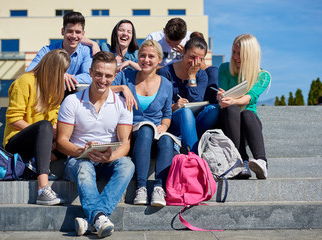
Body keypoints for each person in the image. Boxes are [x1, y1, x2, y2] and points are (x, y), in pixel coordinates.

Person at [56, 51, 134, 238]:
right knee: (83, 166)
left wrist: (110, 156)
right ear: (90, 72)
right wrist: (83, 150)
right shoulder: (72, 101)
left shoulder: (122, 104)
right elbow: (61, 142)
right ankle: (100, 217)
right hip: (78, 159)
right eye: (98, 74)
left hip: (108, 159)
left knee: (127, 165)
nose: (103, 79)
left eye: (108, 76)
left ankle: (94, 219)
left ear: (115, 77)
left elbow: (125, 144)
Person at [3, 49, 70, 205]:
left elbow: (54, 118)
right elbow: (14, 119)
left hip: (40, 141)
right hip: (16, 141)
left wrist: (55, 134)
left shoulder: (55, 88)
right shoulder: (24, 81)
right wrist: (44, 132)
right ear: (50, 68)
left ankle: (33, 162)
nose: (62, 76)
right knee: (44, 127)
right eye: (61, 71)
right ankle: (43, 189)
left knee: (69, 139)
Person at [112, 39, 173, 207]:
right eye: (143, 56)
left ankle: (159, 187)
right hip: (132, 131)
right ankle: (141, 187)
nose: (146, 60)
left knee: (167, 139)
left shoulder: (166, 84)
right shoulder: (126, 76)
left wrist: (165, 126)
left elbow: (167, 114)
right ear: (137, 58)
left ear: (159, 60)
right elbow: (103, 89)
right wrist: (123, 88)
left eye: (151, 56)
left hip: (155, 133)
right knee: (145, 130)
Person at [217, 33, 271, 179]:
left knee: (246, 113)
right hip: (227, 121)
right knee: (232, 109)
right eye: (234, 52)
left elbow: (249, 98)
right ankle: (241, 160)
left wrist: (232, 100)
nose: (235, 57)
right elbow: (223, 96)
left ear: (250, 55)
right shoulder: (224, 68)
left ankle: (262, 161)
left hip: (249, 124)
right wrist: (221, 97)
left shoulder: (263, 76)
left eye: (240, 54)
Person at [158, 36, 220, 153]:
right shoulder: (166, 72)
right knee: (185, 112)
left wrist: (192, 77)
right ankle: (193, 155)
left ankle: (187, 139)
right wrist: (174, 106)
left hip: (195, 120)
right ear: (184, 52)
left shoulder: (201, 75)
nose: (194, 62)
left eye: (199, 59)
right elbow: (160, 103)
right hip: (173, 120)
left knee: (214, 109)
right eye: (192, 57)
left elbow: (197, 102)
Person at [26, 11, 97, 92]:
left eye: (78, 32)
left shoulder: (87, 51)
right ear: (63, 31)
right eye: (70, 31)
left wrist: (67, 78)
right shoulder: (47, 50)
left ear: (83, 34)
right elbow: (29, 72)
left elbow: (89, 76)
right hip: (48, 96)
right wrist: (58, 75)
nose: (74, 36)